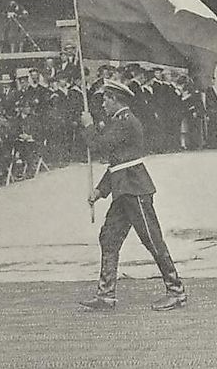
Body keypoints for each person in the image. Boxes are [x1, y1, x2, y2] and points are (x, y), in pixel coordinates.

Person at [79, 79, 187, 311]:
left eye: (105, 99)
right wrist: (100, 191)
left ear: (115, 99)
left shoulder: (125, 122)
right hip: (124, 189)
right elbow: (118, 163)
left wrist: (88, 126)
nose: (103, 104)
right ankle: (106, 294)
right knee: (108, 237)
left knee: (152, 238)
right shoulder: (119, 122)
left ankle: (176, 290)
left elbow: (99, 146)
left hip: (134, 189)